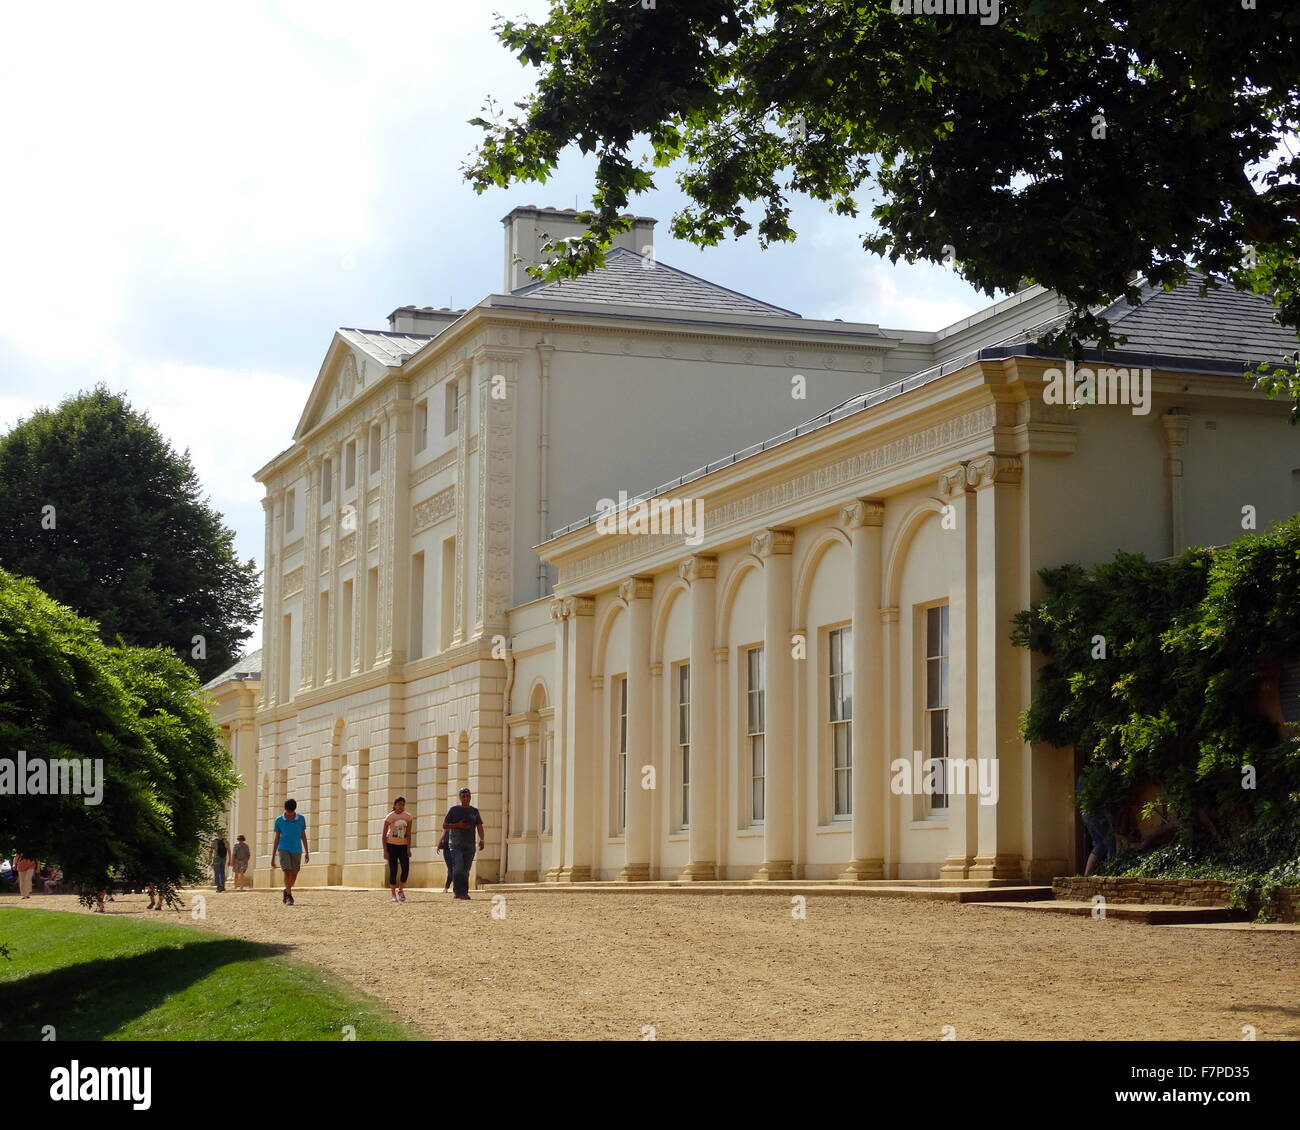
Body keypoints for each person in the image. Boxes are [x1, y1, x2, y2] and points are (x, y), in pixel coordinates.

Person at [442, 787, 484, 900]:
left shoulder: (474, 811)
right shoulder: (454, 810)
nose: (465, 798)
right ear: (460, 797)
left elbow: (479, 826)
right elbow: (445, 825)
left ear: (470, 797)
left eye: (467, 796)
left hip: (470, 845)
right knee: (458, 866)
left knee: (466, 869)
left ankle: (464, 892)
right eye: (463, 796)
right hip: (455, 844)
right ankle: (457, 891)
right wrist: (458, 825)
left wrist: (482, 839)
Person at [270, 798, 309, 905]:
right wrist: (273, 857)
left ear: (294, 810)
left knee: (294, 874)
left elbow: (303, 835)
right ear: (285, 809)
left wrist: (307, 851)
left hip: (297, 849)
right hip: (283, 848)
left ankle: (287, 890)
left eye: (292, 812)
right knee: (287, 871)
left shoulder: (301, 819)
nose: (290, 814)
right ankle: (289, 896)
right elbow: (276, 838)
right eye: (288, 812)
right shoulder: (279, 820)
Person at [1077, 774, 1114, 877]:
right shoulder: (1095, 777)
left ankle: (1087, 874)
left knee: (1099, 844)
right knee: (1110, 842)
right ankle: (1112, 871)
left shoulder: (1082, 779)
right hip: (1096, 813)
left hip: (1085, 812)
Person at [382, 797, 414, 903]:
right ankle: (392, 894)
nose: (401, 807)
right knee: (393, 870)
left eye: (403, 805)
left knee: (405, 869)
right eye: (399, 804)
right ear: (395, 805)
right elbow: (384, 835)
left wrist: (409, 848)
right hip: (391, 845)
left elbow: (408, 833)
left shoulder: (408, 817)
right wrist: (385, 850)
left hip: (403, 846)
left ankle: (400, 890)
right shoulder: (390, 817)